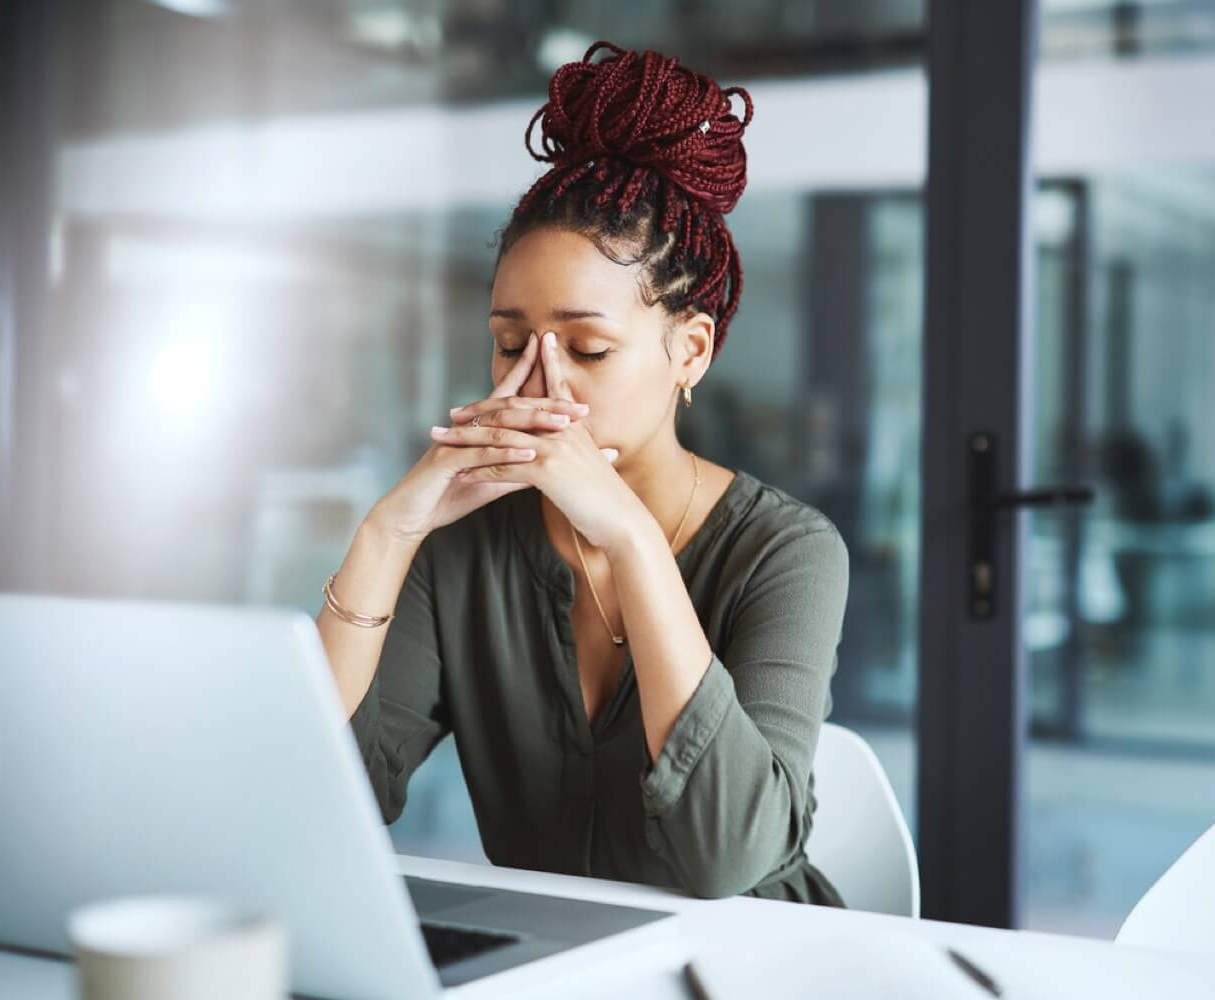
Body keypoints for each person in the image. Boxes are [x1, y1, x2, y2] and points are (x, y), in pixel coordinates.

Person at [317, 41, 850, 905]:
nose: (538, 383)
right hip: (553, 967)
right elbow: (328, 797)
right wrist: (387, 535)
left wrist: (631, 539)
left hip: (755, 961)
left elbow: (728, 859)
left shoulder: (787, 551)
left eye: (589, 348)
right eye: (507, 344)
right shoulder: (463, 547)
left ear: (692, 350)